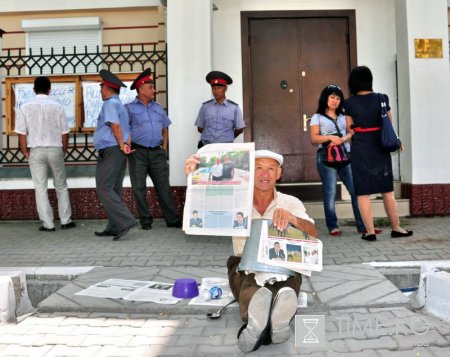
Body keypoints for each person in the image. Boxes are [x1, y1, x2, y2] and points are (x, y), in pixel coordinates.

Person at [185, 149, 318, 353]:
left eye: (270, 169)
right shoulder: (234, 198)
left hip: (282, 265)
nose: (264, 174)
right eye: (258, 169)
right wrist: (195, 175)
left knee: (287, 283)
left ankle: (272, 319)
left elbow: (313, 232)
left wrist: (292, 219)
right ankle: (268, 320)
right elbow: (205, 202)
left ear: (279, 173)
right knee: (250, 284)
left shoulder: (290, 202)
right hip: (243, 264)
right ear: (249, 173)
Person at [343, 66, 413, 241]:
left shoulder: (349, 103)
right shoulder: (382, 98)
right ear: (370, 80)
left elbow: (349, 127)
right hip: (380, 147)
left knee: (363, 192)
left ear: (353, 82)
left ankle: (370, 231)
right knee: (387, 190)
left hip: (360, 148)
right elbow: (388, 121)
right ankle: (396, 228)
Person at [15, 76, 75, 232]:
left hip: (36, 150)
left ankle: (48, 224)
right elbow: (65, 132)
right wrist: (64, 149)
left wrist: (25, 150)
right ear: (50, 89)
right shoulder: (58, 106)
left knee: (40, 187)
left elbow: (21, 132)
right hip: (55, 148)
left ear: (34, 90)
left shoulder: (25, 107)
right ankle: (66, 220)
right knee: (61, 185)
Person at [126, 69, 181, 230]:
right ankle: (145, 220)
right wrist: (127, 144)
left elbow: (165, 128)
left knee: (163, 186)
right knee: (139, 187)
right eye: (151, 87)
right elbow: (124, 128)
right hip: (138, 153)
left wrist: (164, 148)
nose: (154, 90)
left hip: (157, 153)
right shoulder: (129, 108)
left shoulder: (158, 108)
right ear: (141, 89)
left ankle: (172, 219)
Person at [310, 84, 369, 236]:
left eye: (338, 98)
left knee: (356, 191)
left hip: (345, 157)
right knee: (330, 193)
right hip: (326, 158)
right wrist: (330, 137)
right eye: (332, 97)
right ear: (326, 98)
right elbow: (314, 138)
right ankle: (333, 226)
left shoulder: (345, 116)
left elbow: (352, 131)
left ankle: (362, 225)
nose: (335, 101)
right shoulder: (317, 117)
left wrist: (344, 138)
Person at [93, 69, 137, 241]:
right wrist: (125, 145)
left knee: (103, 187)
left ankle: (126, 220)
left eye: (101, 87)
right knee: (114, 189)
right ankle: (114, 226)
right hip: (118, 150)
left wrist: (120, 145)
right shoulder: (121, 105)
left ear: (106, 88)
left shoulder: (110, 104)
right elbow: (128, 131)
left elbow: (115, 126)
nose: (100, 91)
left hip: (111, 149)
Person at [195, 71, 246, 148]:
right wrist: (211, 138)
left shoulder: (234, 108)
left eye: (219, 88)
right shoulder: (205, 107)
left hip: (226, 148)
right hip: (207, 146)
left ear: (225, 88)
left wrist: (227, 138)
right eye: (214, 88)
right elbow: (200, 128)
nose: (216, 91)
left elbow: (240, 129)